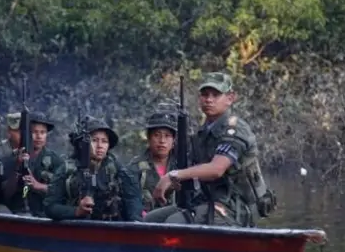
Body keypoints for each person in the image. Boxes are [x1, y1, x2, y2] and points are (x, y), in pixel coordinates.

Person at [144, 72, 276, 227]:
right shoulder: (202, 134)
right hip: (207, 201)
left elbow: (216, 169)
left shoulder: (235, 129)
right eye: (205, 94)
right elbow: (193, 172)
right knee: (151, 220)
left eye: (216, 95)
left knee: (174, 223)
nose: (209, 99)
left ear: (230, 98)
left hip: (237, 207)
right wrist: (172, 185)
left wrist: (173, 176)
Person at [43, 116, 143, 221]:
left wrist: (134, 220)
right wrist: (76, 211)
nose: (100, 146)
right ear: (82, 144)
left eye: (104, 141)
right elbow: (50, 207)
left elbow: (132, 197)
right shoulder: (67, 169)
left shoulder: (115, 168)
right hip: (76, 229)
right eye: (94, 140)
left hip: (110, 229)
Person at [2, 112, 63, 216]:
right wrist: (17, 167)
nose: (39, 136)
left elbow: (62, 192)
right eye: (34, 132)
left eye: (43, 132)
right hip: (17, 212)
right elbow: (5, 194)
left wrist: (38, 185)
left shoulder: (55, 160)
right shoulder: (12, 158)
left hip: (45, 213)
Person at [128, 112, 178, 215]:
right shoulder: (135, 167)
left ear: (174, 140)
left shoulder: (182, 166)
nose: (162, 141)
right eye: (157, 135)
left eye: (167, 136)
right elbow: (129, 201)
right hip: (146, 225)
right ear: (149, 138)